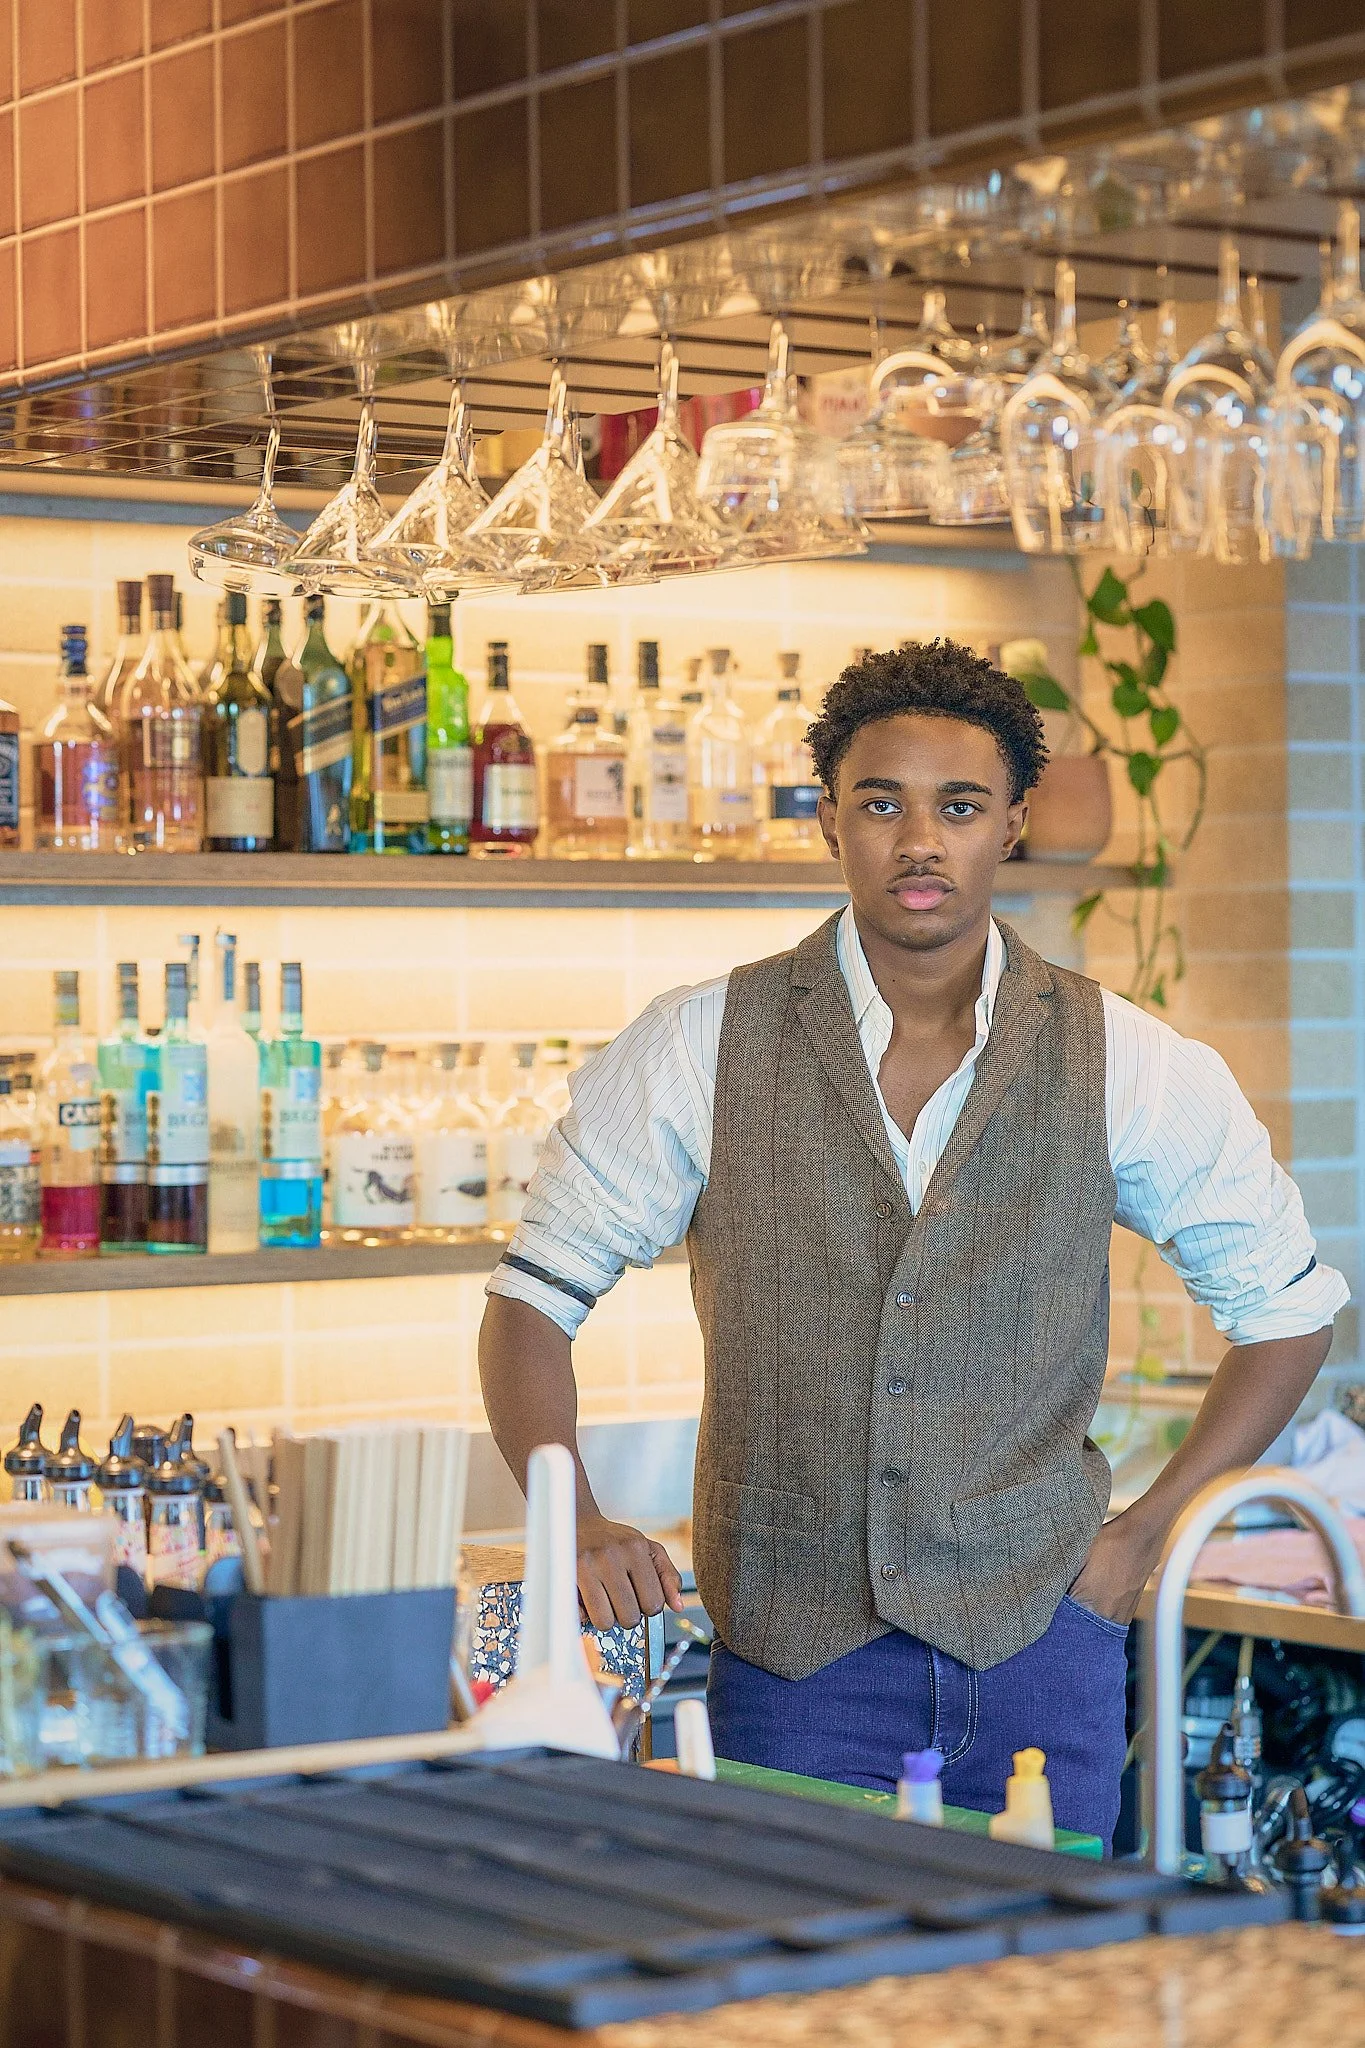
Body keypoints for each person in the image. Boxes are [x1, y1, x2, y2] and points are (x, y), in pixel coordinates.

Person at [479, 640, 1345, 1848]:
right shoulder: (701, 1043)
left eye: (960, 805)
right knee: (803, 2016)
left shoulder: (1125, 1057)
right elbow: (531, 1298)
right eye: (882, 801)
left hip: (1042, 1661)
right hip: (794, 1674)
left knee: (1046, 2017)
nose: (920, 841)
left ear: (1013, 824)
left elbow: (1289, 1306)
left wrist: (1144, 1535)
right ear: (829, 815)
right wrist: (567, 1512)